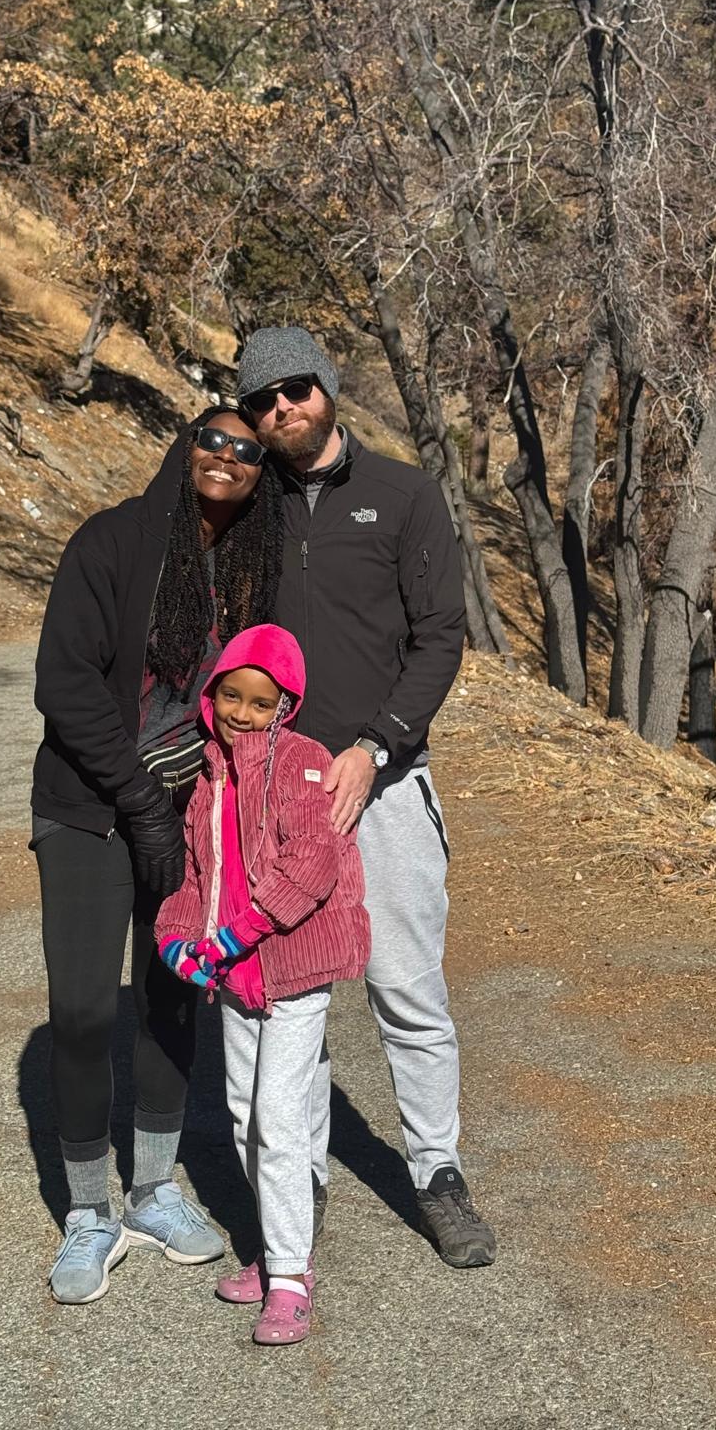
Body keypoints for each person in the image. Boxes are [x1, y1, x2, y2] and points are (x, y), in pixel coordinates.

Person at [233, 326, 497, 1268]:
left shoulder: (404, 496)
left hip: (380, 787)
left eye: (297, 388)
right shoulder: (251, 504)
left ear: (327, 387)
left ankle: (438, 1174)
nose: (282, 409)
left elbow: (439, 639)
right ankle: (296, 1176)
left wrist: (375, 747)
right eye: (262, 400)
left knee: (406, 989)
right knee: (288, 992)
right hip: (275, 793)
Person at [30, 409, 284, 1304]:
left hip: (198, 817)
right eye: (212, 440)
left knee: (175, 994)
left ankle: (152, 1189)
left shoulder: (255, 567)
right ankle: (89, 1213)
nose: (227, 457)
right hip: (90, 810)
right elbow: (61, 683)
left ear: (262, 472)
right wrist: (138, 801)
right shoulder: (112, 543)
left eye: (248, 450)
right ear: (183, 449)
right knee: (84, 1008)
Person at [156, 624, 370, 1345]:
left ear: (287, 704)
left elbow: (314, 860)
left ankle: (289, 1278)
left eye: (261, 700)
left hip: (294, 966)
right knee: (246, 1115)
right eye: (231, 696)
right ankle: (283, 1245)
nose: (243, 712)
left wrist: (242, 930)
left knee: (277, 1118)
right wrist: (177, 943)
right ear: (212, 694)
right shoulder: (206, 783)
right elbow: (194, 879)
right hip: (233, 975)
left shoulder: (303, 763)